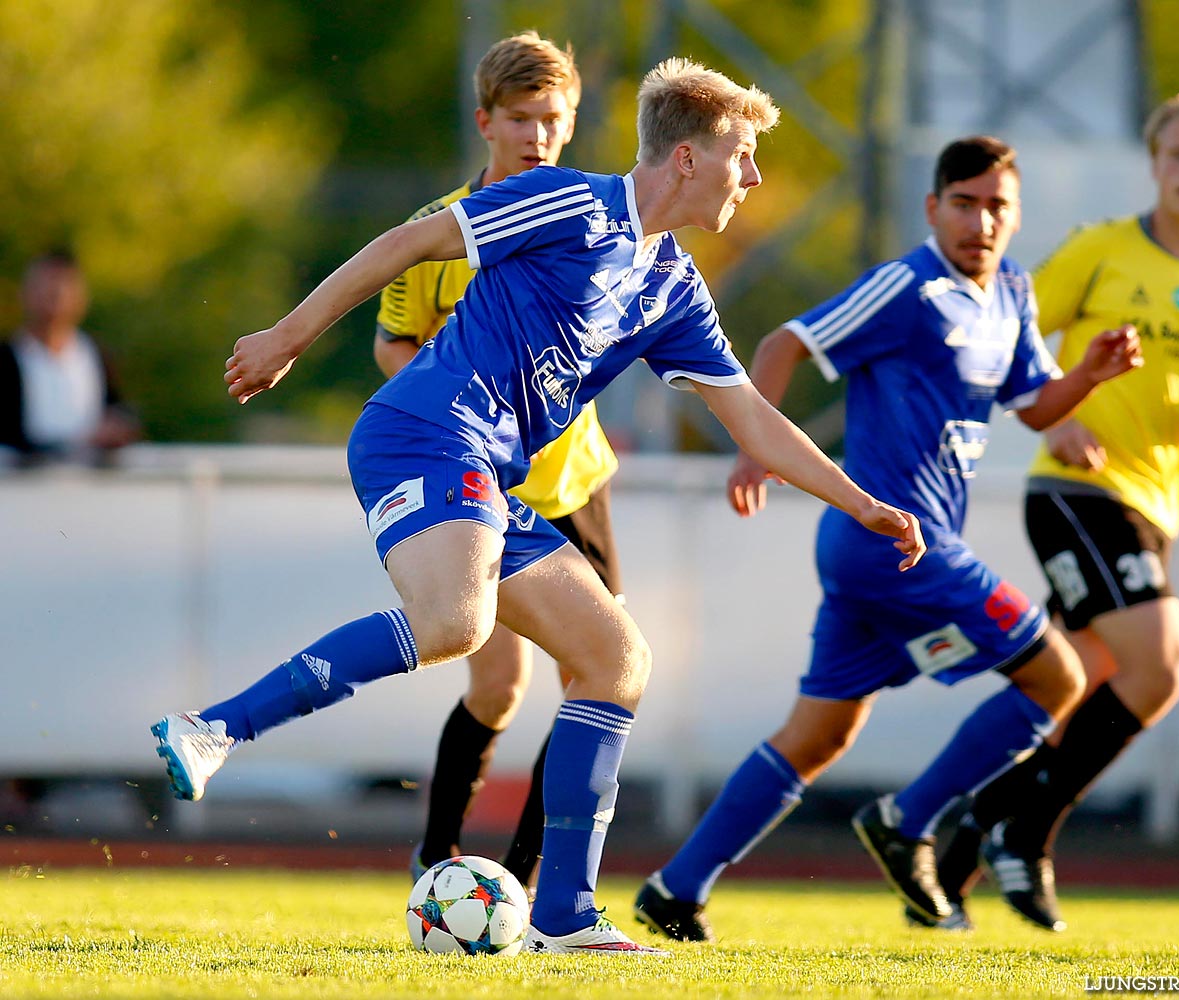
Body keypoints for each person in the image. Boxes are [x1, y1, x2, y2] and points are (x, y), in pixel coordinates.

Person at [150, 56, 927, 955]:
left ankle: (562, 912)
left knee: (617, 658)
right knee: (457, 624)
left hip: (487, 470)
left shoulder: (673, 286)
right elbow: (410, 243)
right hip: (422, 431)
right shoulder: (567, 202)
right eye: (742, 155)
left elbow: (751, 415)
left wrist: (861, 502)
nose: (752, 177)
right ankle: (213, 730)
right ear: (684, 159)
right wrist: (287, 337)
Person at [631, 136, 1143, 943]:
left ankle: (674, 888)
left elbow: (1037, 405)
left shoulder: (1011, 292)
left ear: (1016, 217)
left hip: (890, 555)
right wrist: (755, 451)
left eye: (997, 206)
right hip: (894, 542)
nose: (981, 220)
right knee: (1058, 676)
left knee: (819, 735)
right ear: (933, 208)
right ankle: (909, 822)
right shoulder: (907, 286)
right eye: (964, 203)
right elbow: (782, 343)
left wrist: (1091, 375)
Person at [933, 92, 1179, 933]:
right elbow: (1012, 330)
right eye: (1178, 154)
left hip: (1157, 507)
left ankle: (964, 825)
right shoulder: (1103, 249)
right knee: (1163, 662)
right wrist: (1065, 407)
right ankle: (1027, 828)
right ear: (1154, 163)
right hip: (1078, 489)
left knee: (1066, 686)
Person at [373, 31, 623, 895]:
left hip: (574, 489)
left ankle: (521, 872)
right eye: (520, 119)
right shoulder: (432, 235)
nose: (538, 136)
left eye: (553, 119)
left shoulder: (590, 226)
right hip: (480, 485)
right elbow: (393, 344)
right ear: (486, 120)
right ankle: (435, 857)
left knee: (601, 672)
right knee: (498, 685)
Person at [0, 251, 140, 466]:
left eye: (65, 287)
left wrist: (118, 427)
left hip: (87, 488)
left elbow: (118, 407)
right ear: (25, 293)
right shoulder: (7, 359)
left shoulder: (95, 354)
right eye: (46, 286)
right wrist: (74, 443)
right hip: (19, 489)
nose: (56, 296)